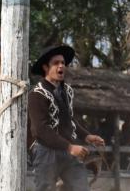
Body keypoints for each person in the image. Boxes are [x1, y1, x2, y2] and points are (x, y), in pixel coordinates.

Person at [28, 45, 105, 191]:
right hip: (46, 152)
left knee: (82, 188)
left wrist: (87, 136)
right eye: (56, 63)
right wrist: (69, 147)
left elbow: (69, 120)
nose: (61, 66)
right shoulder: (37, 94)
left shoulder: (67, 91)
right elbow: (40, 130)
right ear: (45, 67)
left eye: (63, 63)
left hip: (69, 151)